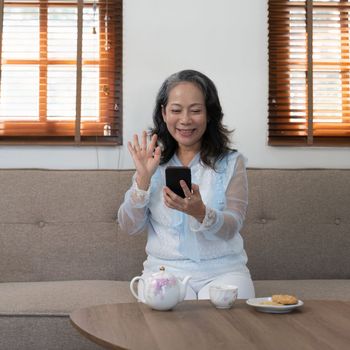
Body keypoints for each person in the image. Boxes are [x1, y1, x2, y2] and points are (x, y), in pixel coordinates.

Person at [118, 69, 255, 300]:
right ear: (163, 113)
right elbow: (129, 226)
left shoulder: (232, 162)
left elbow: (233, 225)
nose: (185, 120)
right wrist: (142, 180)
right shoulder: (152, 161)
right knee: (176, 325)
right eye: (176, 110)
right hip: (165, 271)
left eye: (196, 111)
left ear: (209, 114)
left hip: (224, 271)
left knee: (225, 326)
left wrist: (202, 213)